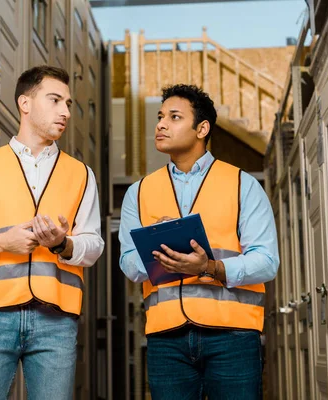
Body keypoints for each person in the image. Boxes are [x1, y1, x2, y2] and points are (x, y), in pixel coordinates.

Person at [0, 65, 104, 400]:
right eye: (55, 100)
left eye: (69, 104)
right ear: (25, 104)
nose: (65, 112)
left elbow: (94, 245)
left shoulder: (81, 174)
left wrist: (62, 243)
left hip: (56, 322)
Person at [118, 84, 279, 400]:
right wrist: (160, 250)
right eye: (161, 116)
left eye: (175, 117)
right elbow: (129, 263)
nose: (161, 124)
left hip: (233, 337)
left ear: (202, 128)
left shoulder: (242, 185)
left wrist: (211, 266)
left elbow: (267, 261)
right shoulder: (138, 192)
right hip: (166, 339)